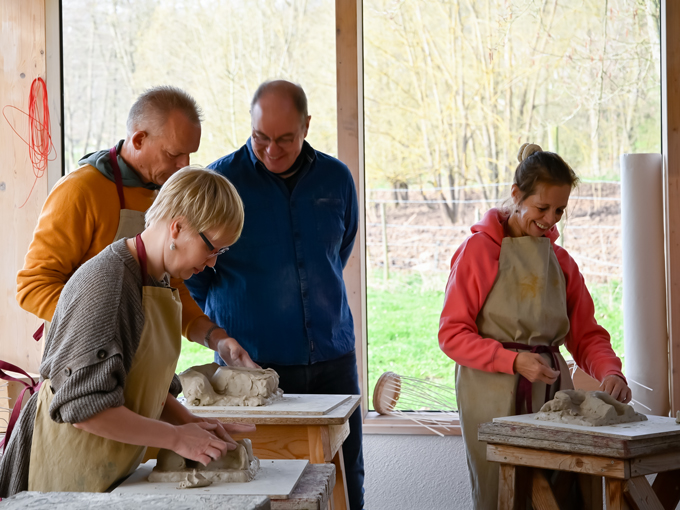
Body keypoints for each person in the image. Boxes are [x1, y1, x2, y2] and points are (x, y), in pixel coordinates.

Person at [0, 167, 255, 497]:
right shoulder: (109, 283)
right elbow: (85, 408)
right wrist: (176, 438)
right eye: (211, 248)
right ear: (177, 227)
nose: (212, 263)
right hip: (61, 475)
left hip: (105, 472)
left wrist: (190, 422)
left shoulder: (157, 279)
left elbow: (139, 385)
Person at [185, 80, 364, 509]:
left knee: (345, 472)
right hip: (250, 369)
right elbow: (192, 280)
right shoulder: (219, 183)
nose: (271, 151)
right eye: (261, 138)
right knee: (259, 483)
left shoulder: (337, 178)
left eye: (286, 139)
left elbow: (337, 252)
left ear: (306, 125)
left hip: (332, 360)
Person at [438, 143, 632, 510]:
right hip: (490, 391)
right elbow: (452, 335)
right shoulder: (478, 251)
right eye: (542, 208)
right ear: (516, 196)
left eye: (560, 210)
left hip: (553, 391)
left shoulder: (561, 262)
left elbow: (586, 334)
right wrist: (512, 361)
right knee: (503, 494)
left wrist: (611, 372)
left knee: (565, 490)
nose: (550, 220)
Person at [16, 85, 256, 367]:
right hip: (85, 363)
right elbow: (33, 286)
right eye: (173, 154)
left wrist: (215, 337)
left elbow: (170, 288)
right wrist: (108, 327)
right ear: (139, 139)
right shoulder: (81, 191)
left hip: (140, 363)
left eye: (189, 155)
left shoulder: (164, 193)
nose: (184, 166)